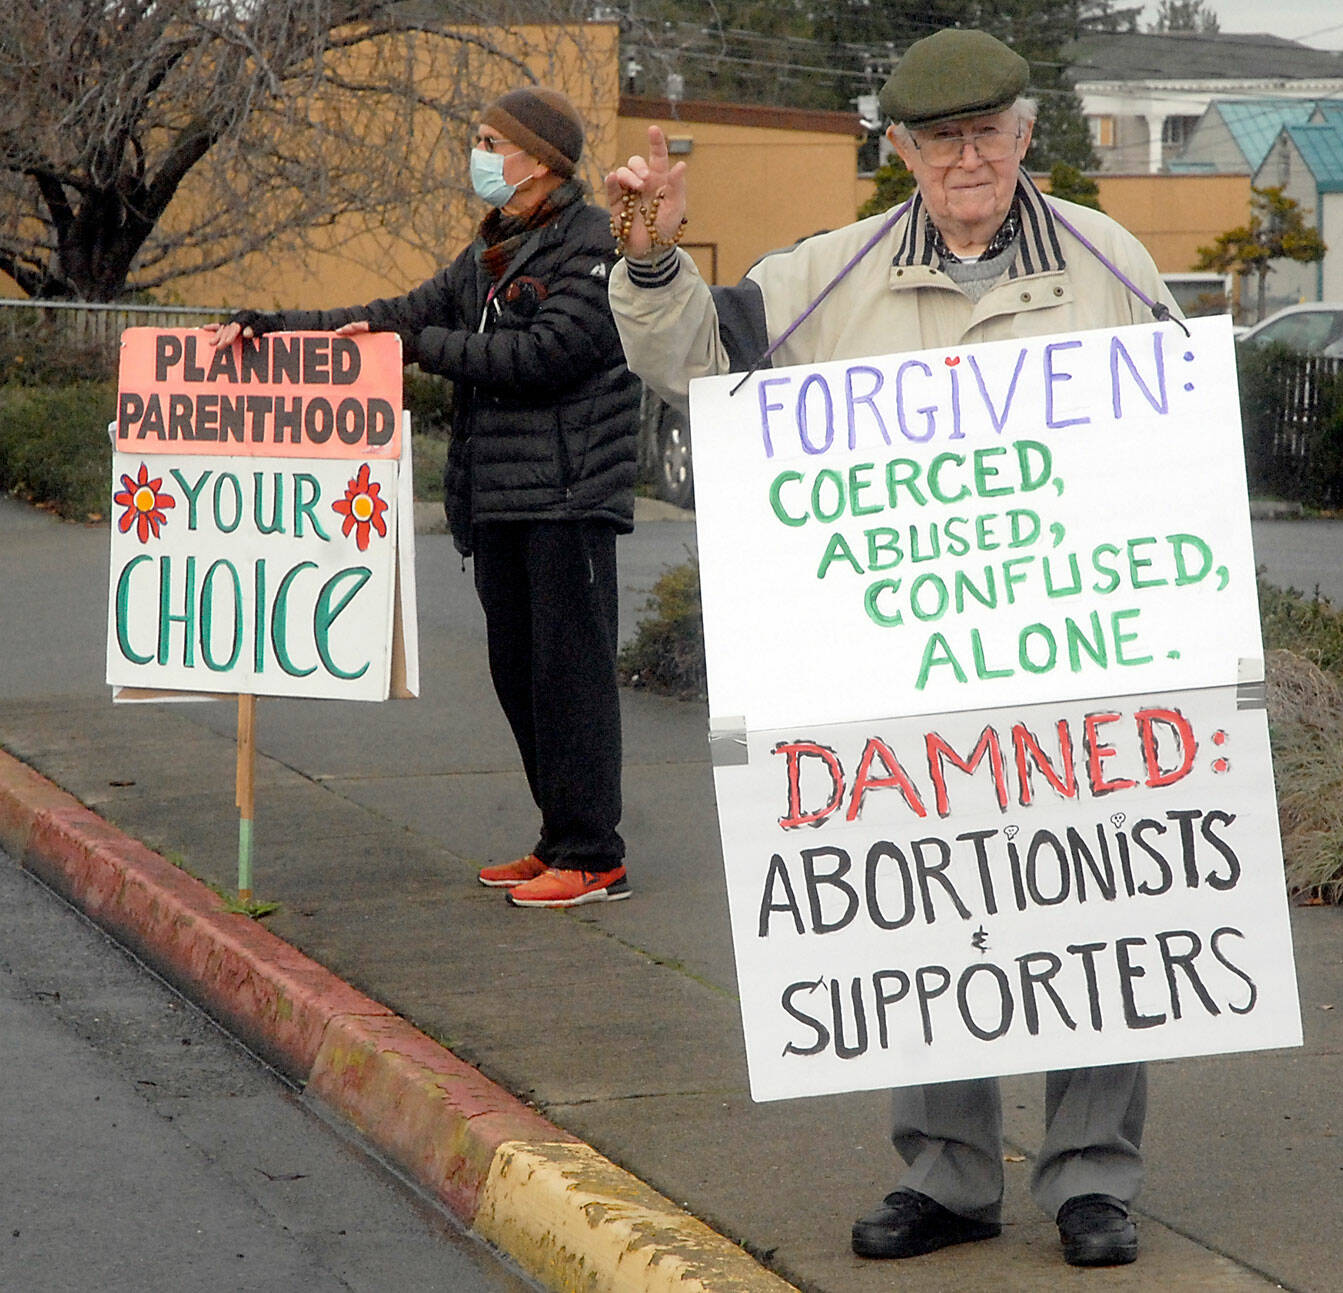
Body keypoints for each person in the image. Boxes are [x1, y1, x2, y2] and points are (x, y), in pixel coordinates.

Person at [604, 27, 1182, 1269]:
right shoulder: (825, 272)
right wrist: (650, 257)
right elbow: (697, 365)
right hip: (899, 673)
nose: (966, 157)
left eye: (988, 132)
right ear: (902, 151)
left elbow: (1182, 443)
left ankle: (1092, 1180)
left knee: (1099, 910)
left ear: (1027, 138)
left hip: (1073, 660)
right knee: (923, 917)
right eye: (939, 138)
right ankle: (951, 1177)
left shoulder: (1112, 260)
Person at [211, 86, 640, 909]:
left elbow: (542, 356)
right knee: (519, 673)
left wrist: (418, 345)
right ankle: (559, 834)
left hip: (567, 497)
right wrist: (273, 327)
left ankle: (594, 853)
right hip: (502, 501)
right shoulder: (496, 248)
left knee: (570, 677)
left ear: (541, 160)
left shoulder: (593, 246)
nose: (476, 153)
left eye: (490, 140)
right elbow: (389, 316)